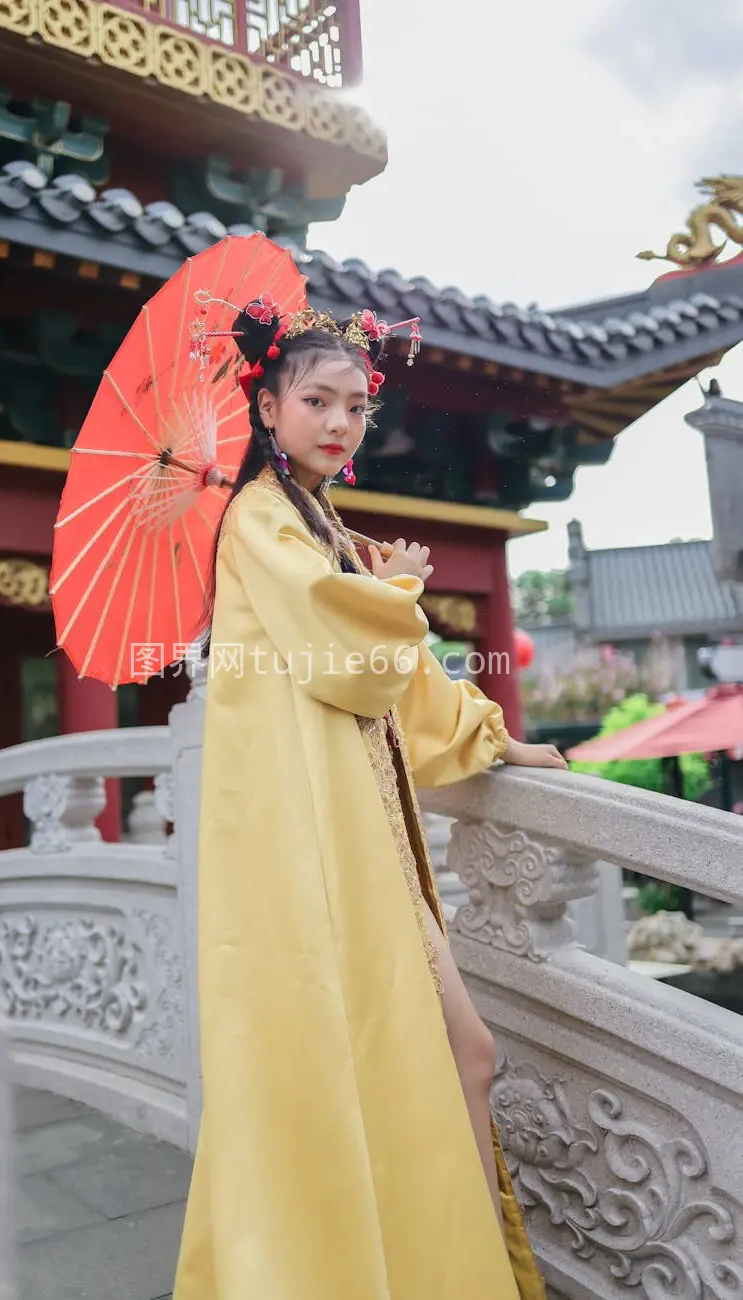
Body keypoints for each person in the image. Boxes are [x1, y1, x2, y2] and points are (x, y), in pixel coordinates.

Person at [173, 295, 567, 1300]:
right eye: (316, 399)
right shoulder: (259, 518)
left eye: (356, 405)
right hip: (313, 847)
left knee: (462, 1053)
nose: (340, 422)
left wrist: (493, 736)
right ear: (267, 406)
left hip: (369, 839)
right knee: (406, 1061)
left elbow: (396, 670)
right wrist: (391, 592)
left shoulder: (315, 519)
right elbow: (342, 648)